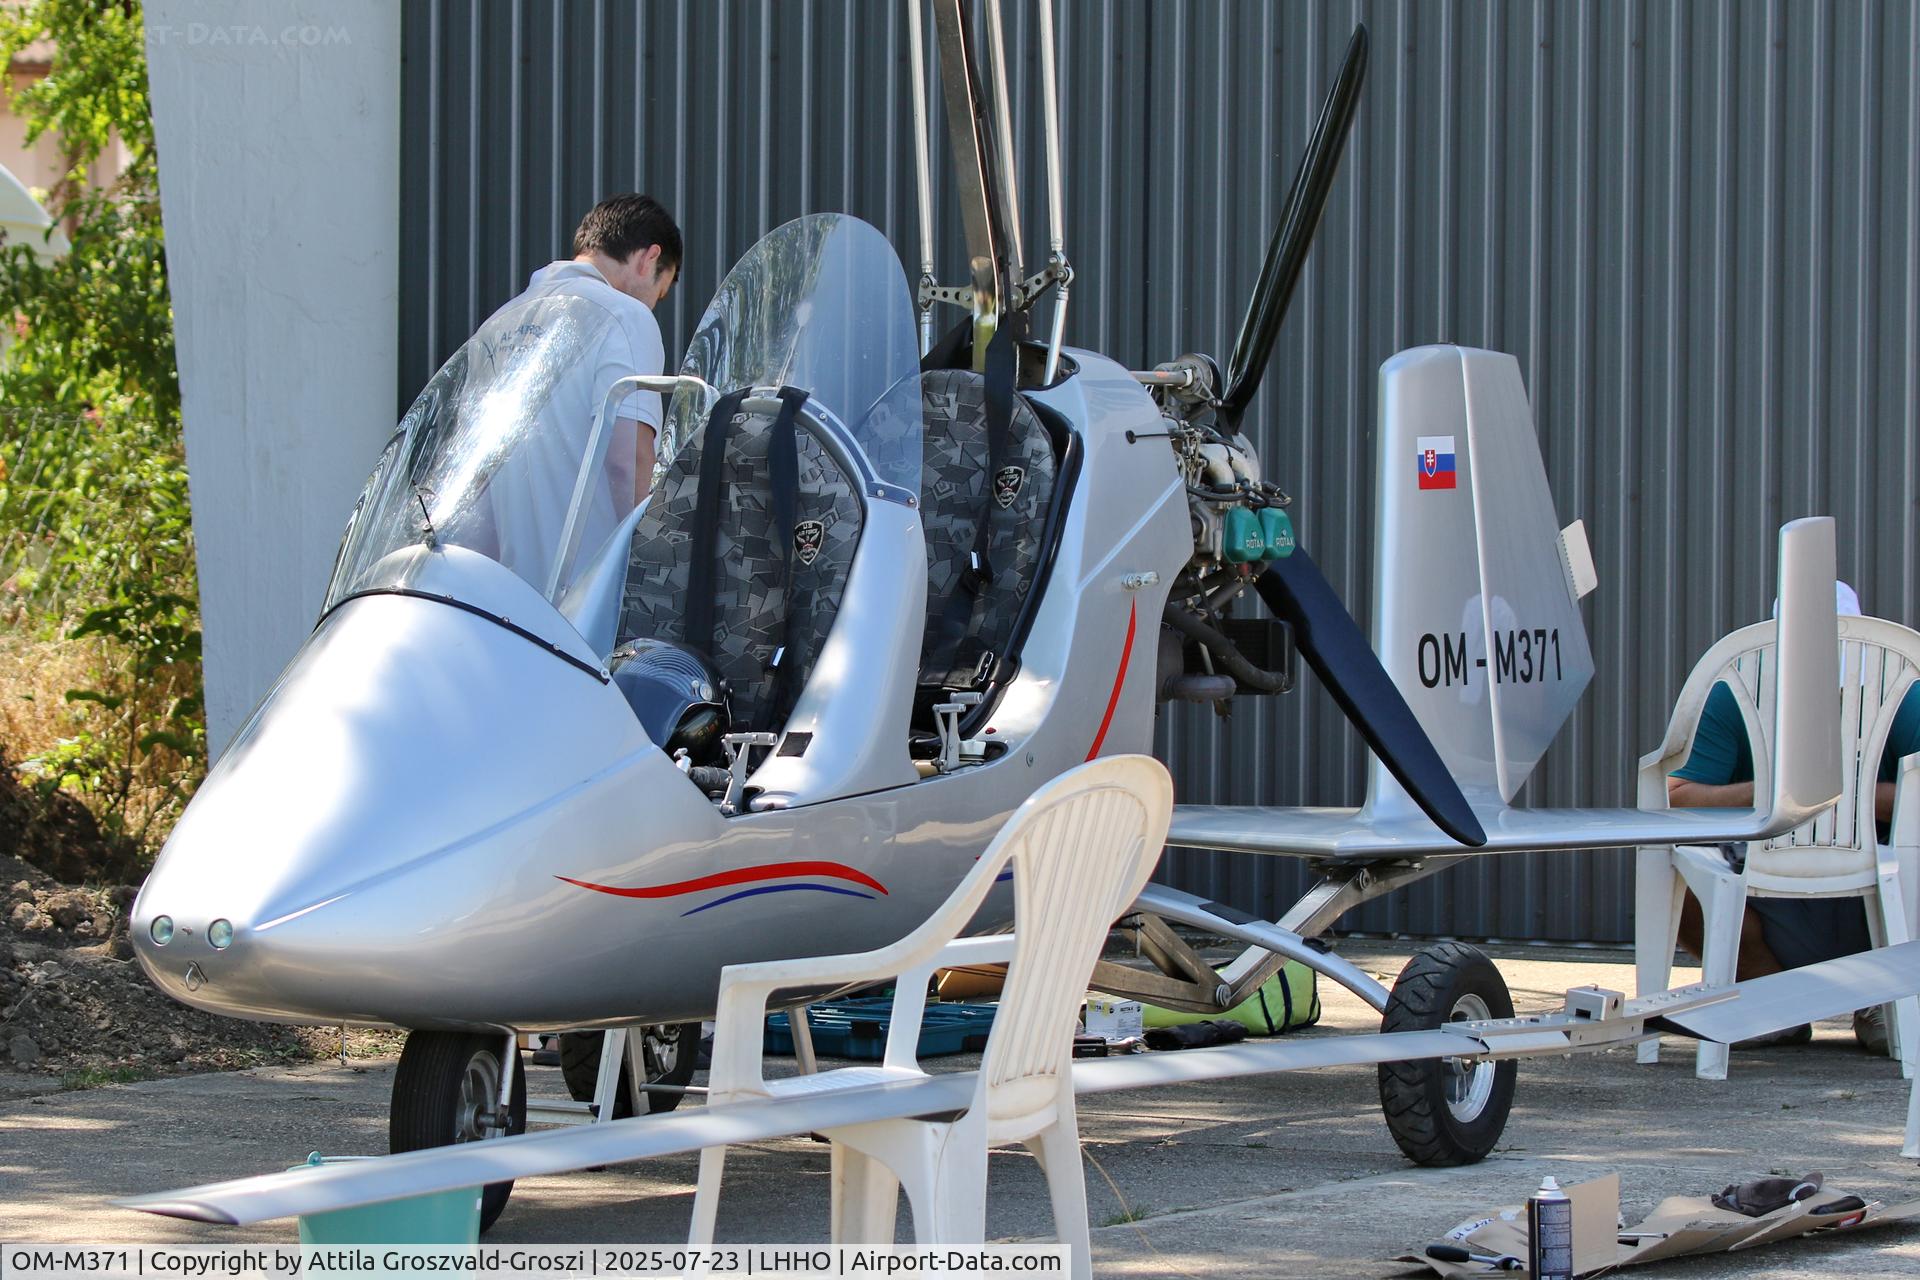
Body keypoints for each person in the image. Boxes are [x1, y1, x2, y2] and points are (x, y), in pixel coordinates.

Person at [1667, 582, 1920, 1053]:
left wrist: (1834, 793)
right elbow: (1677, 798)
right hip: (1761, 895)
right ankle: (1766, 990)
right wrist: (1775, 792)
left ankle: (1882, 996)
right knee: (1672, 859)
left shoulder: (1904, 695)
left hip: (1880, 895)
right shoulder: (1736, 694)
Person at [462, 194, 682, 590]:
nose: (653, 305)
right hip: (589, 610)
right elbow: (628, 459)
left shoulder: (496, 327)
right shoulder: (625, 316)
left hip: (512, 609)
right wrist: (658, 576)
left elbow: (477, 487)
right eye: (660, 292)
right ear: (650, 258)